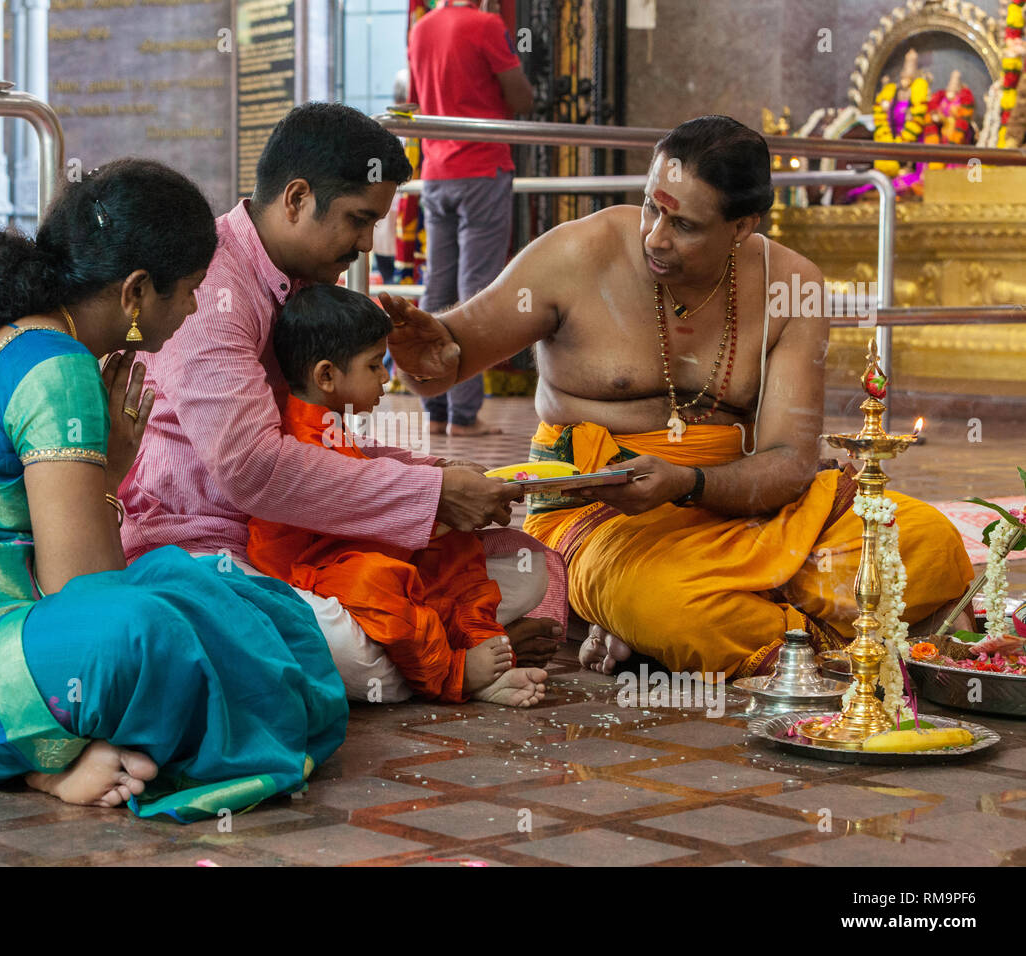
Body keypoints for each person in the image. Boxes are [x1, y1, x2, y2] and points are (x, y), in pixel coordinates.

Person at [0, 159, 347, 820]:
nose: (195, 308)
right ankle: (43, 764)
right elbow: (83, 592)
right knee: (140, 631)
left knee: (237, 595)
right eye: (189, 289)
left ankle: (53, 757)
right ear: (136, 293)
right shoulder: (59, 366)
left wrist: (105, 475)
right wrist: (111, 480)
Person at [382, 115, 973, 679]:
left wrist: (690, 484)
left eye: (683, 225)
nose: (654, 238)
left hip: (738, 499)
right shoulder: (578, 254)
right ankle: (815, 637)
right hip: (601, 507)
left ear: (744, 227)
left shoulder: (791, 284)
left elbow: (790, 461)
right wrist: (424, 355)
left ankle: (706, 638)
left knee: (928, 543)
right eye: (649, 208)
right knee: (671, 605)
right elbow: (445, 362)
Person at [118, 103, 567, 703]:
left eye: (374, 223)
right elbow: (253, 470)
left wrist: (444, 479)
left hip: (320, 541)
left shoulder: (309, 284)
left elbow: (327, 444)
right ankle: (445, 653)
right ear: (298, 198)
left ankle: (434, 646)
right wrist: (431, 495)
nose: (366, 243)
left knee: (522, 567)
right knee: (355, 653)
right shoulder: (215, 291)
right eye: (358, 220)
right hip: (213, 542)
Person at [246, 285, 550, 707]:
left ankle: (475, 642)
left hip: (356, 554)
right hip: (311, 572)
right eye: (374, 365)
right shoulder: (295, 438)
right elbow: (343, 520)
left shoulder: (332, 424)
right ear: (326, 376)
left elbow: (370, 476)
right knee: (378, 582)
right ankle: (454, 673)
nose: (387, 378)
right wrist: (430, 506)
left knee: (476, 553)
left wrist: (442, 487)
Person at [407, 0, 534, 436]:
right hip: (482, 168)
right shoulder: (486, 25)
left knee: (438, 286)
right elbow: (521, 98)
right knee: (474, 289)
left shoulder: (421, 29)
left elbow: (417, 96)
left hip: (436, 172)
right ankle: (463, 414)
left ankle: (435, 406)